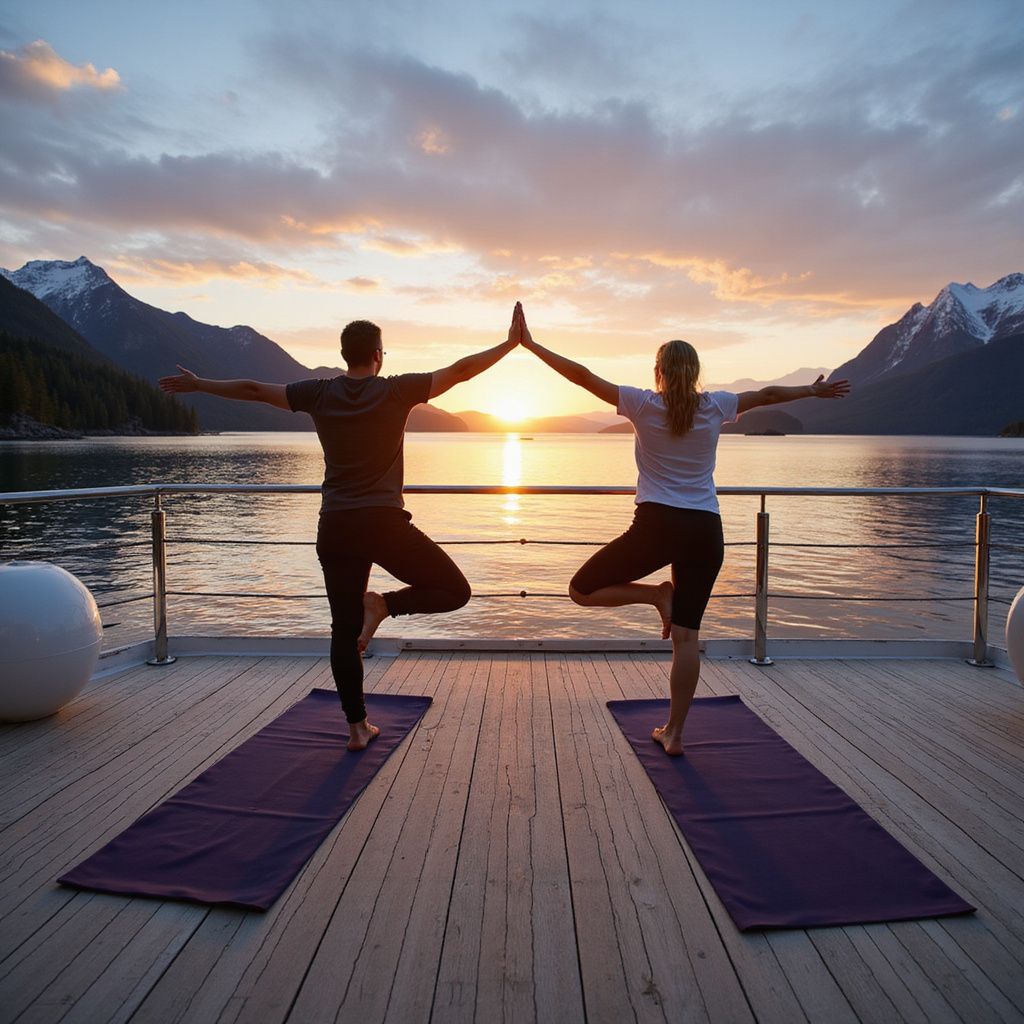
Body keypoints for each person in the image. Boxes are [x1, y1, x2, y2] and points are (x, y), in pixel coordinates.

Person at [159, 306, 523, 750]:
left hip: (335, 527)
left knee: (342, 629)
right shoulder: (396, 391)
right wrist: (508, 345)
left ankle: (356, 728)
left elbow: (254, 389)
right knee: (455, 590)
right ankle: (386, 606)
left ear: (344, 354)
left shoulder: (318, 393)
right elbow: (462, 370)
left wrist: (199, 385)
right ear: (378, 355)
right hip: (385, 524)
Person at [516, 308, 850, 755]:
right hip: (705, 532)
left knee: (580, 589)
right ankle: (674, 734)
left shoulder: (641, 403)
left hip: (657, 527)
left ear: (658, 373)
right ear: (694, 374)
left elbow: (582, 376)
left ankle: (655, 596)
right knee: (687, 638)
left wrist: (533, 346)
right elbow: (767, 394)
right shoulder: (715, 405)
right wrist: (812, 389)